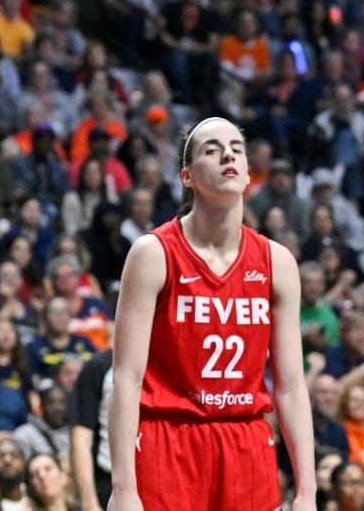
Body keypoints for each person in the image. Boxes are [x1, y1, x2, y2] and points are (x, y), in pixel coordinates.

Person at [107, 117, 316, 510]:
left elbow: (290, 386)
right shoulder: (153, 254)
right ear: (187, 176)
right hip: (167, 438)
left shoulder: (278, 262)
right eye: (211, 149)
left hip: (246, 442)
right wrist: (123, 488)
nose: (228, 155)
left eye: (236, 148)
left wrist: (307, 491)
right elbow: (126, 378)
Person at [64, 348, 112, 511]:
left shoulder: (170, 363)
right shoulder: (99, 366)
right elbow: (80, 440)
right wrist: (89, 502)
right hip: (108, 481)